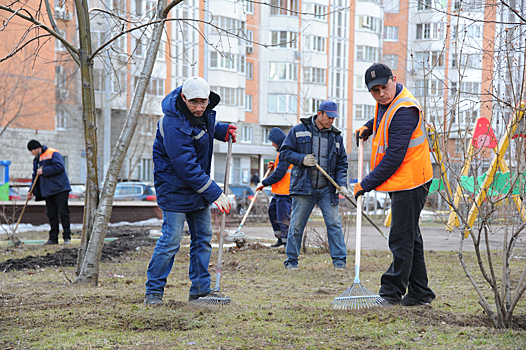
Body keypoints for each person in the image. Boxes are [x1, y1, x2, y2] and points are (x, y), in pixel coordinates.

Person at [144, 76, 237, 306]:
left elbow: (203, 128)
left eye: (203, 102)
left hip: (197, 190)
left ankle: (200, 291)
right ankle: (154, 292)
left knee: (203, 239)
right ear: (183, 98)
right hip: (175, 190)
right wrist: (215, 193)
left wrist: (222, 130)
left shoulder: (203, 111)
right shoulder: (172, 123)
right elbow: (186, 166)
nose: (199, 108)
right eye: (193, 102)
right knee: (171, 241)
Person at [354, 63, 435, 306]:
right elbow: (383, 118)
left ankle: (391, 292)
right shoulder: (388, 102)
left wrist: (364, 184)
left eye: (384, 87)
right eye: (374, 90)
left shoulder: (404, 110)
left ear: (394, 79)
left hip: (411, 182)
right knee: (410, 237)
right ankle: (420, 292)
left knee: (400, 238)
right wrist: (370, 126)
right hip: (404, 180)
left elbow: (394, 157)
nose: (380, 94)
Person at [280, 100, 349, 269]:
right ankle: (291, 261)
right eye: (329, 117)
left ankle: (339, 261)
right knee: (296, 224)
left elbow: (342, 163)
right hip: (304, 186)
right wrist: (302, 159)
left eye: (334, 117)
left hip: (327, 188)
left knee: (334, 223)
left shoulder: (336, 136)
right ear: (320, 114)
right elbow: (285, 152)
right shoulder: (298, 130)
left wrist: (342, 184)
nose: (332, 121)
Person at [26, 140, 72, 245]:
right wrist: (31, 191)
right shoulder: (36, 160)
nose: (31, 153)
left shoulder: (53, 153)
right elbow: (35, 176)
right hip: (48, 191)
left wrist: (44, 171)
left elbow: (60, 167)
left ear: (36, 148)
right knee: (51, 215)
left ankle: (67, 237)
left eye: (32, 151)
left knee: (63, 213)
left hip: (60, 189)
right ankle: (53, 238)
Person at [256, 127, 293, 248]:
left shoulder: (285, 152)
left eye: (273, 141)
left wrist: (263, 183)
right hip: (279, 191)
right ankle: (280, 239)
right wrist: (275, 165)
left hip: (285, 191)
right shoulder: (281, 152)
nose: (272, 144)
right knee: (272, 212)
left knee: (283, 217)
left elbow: (279, 174)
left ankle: (286, 242)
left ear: (278, 140)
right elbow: (281, 168)